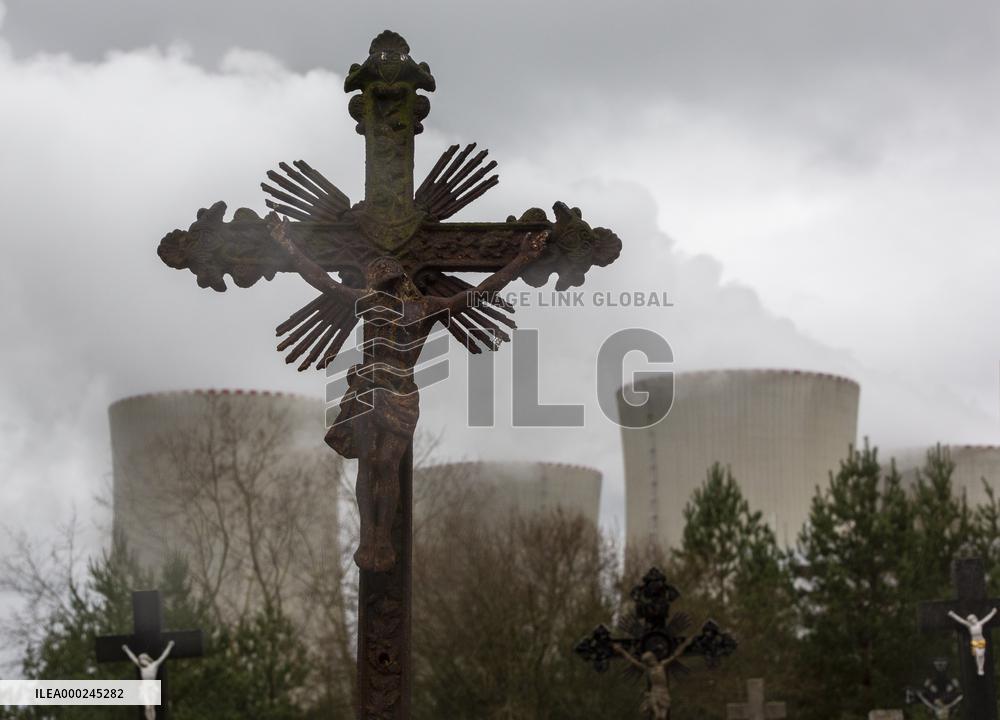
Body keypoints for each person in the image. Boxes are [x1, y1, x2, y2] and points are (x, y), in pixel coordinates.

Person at [268, 213, 547, 571]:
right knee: (371, 465)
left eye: (386, 280)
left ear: (398, 280)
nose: (383, 286)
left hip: (400, 393)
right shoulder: (370, 304)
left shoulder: (426, 308)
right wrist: (287, 246)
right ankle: (372, 537)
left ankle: (380, 536)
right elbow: (322, 280)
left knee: (386, 465)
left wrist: (522, 260)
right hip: (369, 390)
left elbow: (478, 295)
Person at [612, 636, 696, 720]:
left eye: (650, 659)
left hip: (664, 692)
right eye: (647, 661)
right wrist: (621, 651)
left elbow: (675, 655)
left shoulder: (662, 665)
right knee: (657, 715)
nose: (650, 662)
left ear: (653, 658)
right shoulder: (648, 669)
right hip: (655, 692)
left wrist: (685, 644)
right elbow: (632, 660)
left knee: (663, 716)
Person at [122, 641, 174, 720]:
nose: (140, 661)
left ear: (146, 659)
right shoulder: (141, 667)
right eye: (140, 660)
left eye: (141, 659)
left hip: (152, 688)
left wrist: (169, 646)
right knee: (147, 707)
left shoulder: (154, 665)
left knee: (152, 707)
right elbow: (132, 657)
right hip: (144, 688)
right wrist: (126, 650)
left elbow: (164, 656)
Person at [948, 607, 997, 676]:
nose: (972, 620)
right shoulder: (969, 626)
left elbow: (987, 618)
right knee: (978, 655)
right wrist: (953, 615)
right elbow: (960, 620)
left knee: (981, 655)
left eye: (973, 618)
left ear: (976, 618)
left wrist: (993, 612)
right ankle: (980, 669)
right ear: (969, 621)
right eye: (970, 620)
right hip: (975, 642)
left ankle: (981, 668)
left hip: (981, 640)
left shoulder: (980, 623)